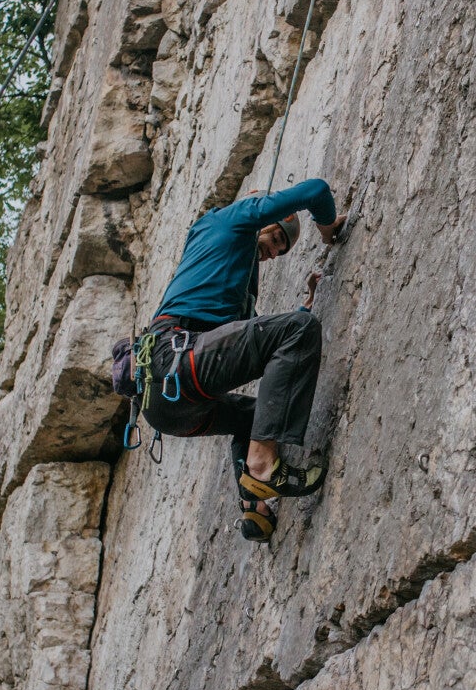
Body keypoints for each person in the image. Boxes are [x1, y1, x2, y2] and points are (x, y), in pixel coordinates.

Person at [130, 179, 346, 541]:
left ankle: (254, 512)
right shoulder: (231, 220)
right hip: (177, 362)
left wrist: (302, 304)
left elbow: (249, 340)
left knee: (253, 418)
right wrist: (328, 230)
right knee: (300, 330)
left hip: (166, 406)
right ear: (260, 213)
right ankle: (262, 468)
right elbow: (317, 191)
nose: (275, 253)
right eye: (277, 239)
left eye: (282, 250)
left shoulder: (228, 264)